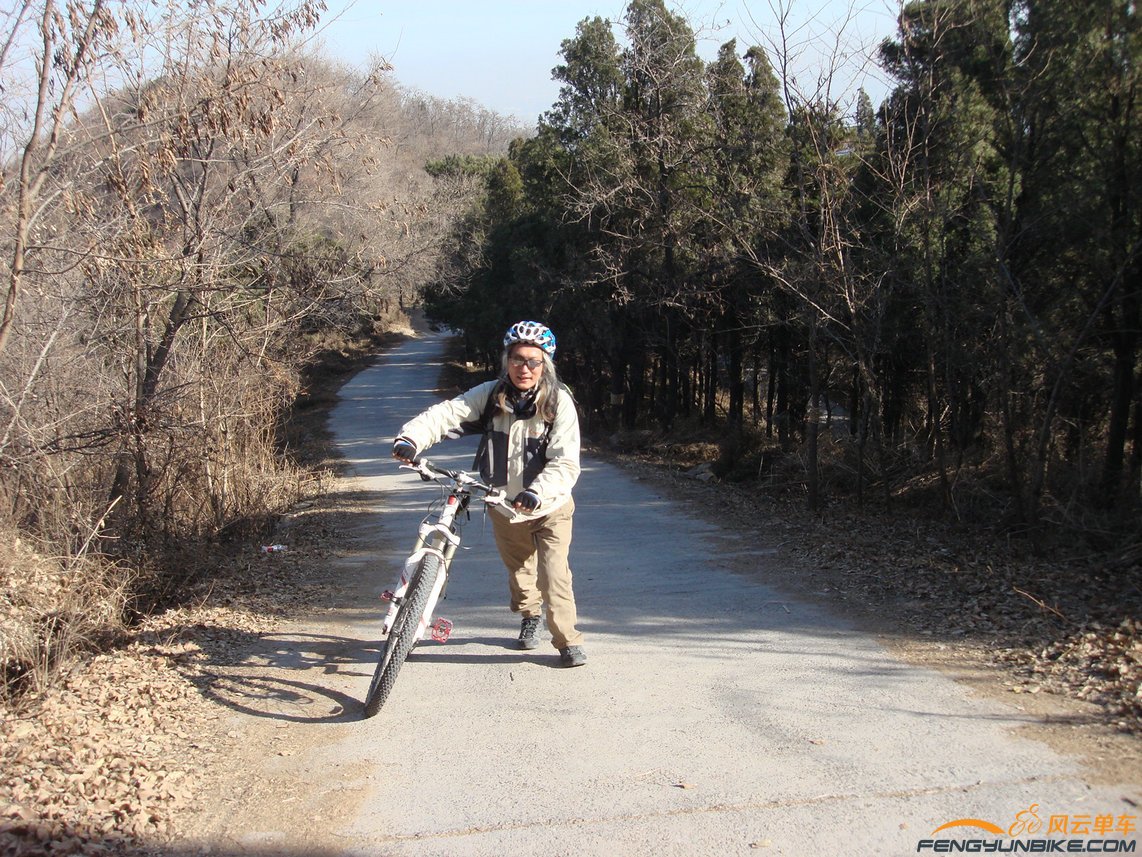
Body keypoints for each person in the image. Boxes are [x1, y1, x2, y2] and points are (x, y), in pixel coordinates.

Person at [391, 321, 587, 667]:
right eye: (516, 359)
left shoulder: (559, 404)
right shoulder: (491, 395)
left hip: (550, 507)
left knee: (554, 573)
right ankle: (530, 616)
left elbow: (565, 463)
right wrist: (411, 439)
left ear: (545, 365)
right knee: (520, 570)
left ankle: (567, 641)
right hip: (503, 505)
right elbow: (447, 414)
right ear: (506, 360)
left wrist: (537, 493)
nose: (523, 368)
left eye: (532, 361)